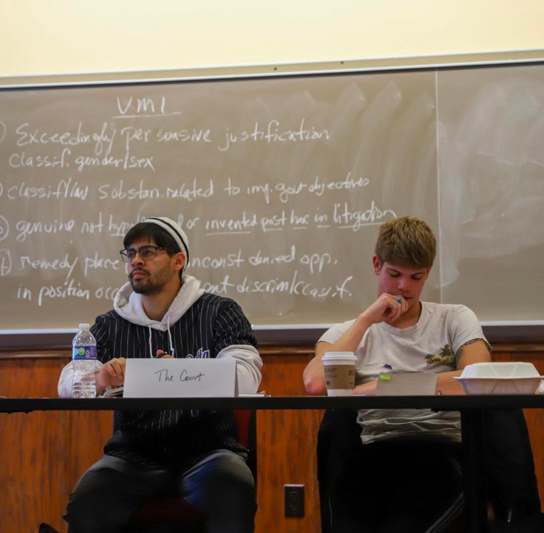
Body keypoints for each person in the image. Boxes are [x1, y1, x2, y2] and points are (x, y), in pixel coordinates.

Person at [58, 216, 262, 533]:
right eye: (130, 253)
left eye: (148, 251)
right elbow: (66, 384)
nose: (136, 260)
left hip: (209, 450)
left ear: (179, 260)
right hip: (132, 456)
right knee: (88, 500)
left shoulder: (219, 312)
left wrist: (172, 371)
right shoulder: (110, 325)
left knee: (231, 487)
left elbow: (246, 376)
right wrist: (100, 379)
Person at [303, 216, 493, 532]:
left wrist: (386, 385)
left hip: (439, 447)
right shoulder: (346, 333)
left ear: (427, 273)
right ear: (377, 265)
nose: (404, 286)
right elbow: (315, 383)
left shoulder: (454, 318)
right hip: (373, 449)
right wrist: (365, 321)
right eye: (394, 274)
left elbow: (480, 377)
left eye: (416, 277)